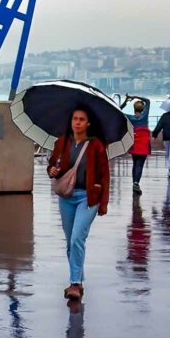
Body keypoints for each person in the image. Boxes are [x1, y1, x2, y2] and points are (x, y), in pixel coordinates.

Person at [47, 107, 110, 300]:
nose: (78, 122)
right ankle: (78, 277)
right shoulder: (62, 141)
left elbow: (105, 174)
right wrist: (52, 170)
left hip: (88, 197)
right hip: (67, 196)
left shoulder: (97, 145)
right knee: (70, 242)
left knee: (77, 238)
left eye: (82, 119)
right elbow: (51, 165)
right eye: (75, 118)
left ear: (88, 123)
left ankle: (75, 284)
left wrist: (103, 203)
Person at [120, 94, 151, 194]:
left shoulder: (130, 118)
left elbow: (118, 110)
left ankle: (135, 182)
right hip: (144, 143)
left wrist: (125, 101)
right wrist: (136, 96)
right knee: (140, 164)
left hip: (135, 142)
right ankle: (136, 183)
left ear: (134, 109)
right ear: (142, 109)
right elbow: (148, 101)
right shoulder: (144, 116)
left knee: (135, 163)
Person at [152, 106, 170, 177]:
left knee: (168, 153)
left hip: (166, 137)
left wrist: (154, 135)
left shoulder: (165, 115)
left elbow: (159, 125)